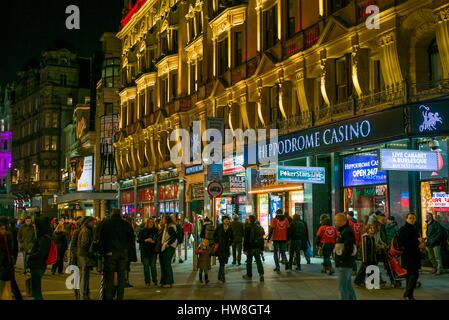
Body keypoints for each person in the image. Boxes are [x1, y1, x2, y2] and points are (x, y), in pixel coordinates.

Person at [98, 209, 134, 300]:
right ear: (120, 215)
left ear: (111, 214)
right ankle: (119, 297)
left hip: (110, 253)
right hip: (122, 253)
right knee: (121, 276)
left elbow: (101, 239)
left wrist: (103, 252)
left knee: (109, 276)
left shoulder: (106, 224)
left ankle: (109, 296)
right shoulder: (126, 224)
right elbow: (131, 239)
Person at [398, 213, 422, 300]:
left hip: (415, 254)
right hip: (408, 255)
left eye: (413, 218)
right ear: (406, 219)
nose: (412, 220)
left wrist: (420, 242)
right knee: (414, 274)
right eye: (410, 218)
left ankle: (409, 295)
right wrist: (416, 242)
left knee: (410, 275)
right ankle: (408, 294)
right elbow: (401, 243)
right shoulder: (403, 229)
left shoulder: (415, 228)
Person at [27, 218, 51, 300]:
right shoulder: (43, 237)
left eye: (36, 227)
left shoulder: (43, 238)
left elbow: (41, 253)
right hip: (38, 265)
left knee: (36, 290)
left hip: (38, 265)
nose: (35, 228)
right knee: (36, 289)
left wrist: (31, 256)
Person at [334, 213, 357, 300]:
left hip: (344, 263)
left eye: (336, 220)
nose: (335, 222)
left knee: (343, 287)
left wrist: (341, 260)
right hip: (345, 263)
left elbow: (348, 248)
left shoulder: (347, 232)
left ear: (341, 221)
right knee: (347, 286)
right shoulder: (344, 231)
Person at [77, 217, 96, 300]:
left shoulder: (86, 230)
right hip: (85, 256)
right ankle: (83, 296)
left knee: (85, 276)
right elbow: (85, 244)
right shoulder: (86, 231)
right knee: (85, 277)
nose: (94, 224)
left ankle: (84, 295)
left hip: (84, 255)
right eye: (93, 222)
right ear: (88, 222)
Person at [373, 213, 394, 286]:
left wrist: (385, 244)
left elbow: (382, 237)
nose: (384, 220)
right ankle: (380, 280)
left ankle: (390, 279)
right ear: (378, 218)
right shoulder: (376, 226)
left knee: (385, 264)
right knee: (374, 264)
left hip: (381, 248)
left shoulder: (382, 226)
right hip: (377, 249)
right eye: (382, 219)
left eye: (384, 219)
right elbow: (376, 238)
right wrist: (381, 245)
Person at [242, 215, 265, 282]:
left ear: (249, 219)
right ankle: (261, 275)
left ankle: (249, 275)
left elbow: (246, 239)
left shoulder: (247, 227)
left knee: (249, 261)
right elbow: (261, 238)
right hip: (257, 247)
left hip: (250, 247)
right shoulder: (258, 227)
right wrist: (261, 248)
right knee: (258, 261)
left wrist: (244, 248)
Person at [138, 218, 159, 288]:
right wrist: (146, 240)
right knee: (146, 267)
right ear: (147, 223)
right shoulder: (143, 231)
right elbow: (139, 240)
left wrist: (154, 241)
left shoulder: (156, 230)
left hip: (153, 251)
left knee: (153, 266)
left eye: (152, 222)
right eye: (150, 222)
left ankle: (155, 281)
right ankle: (147, 282)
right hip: (145, 251)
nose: (151, 223)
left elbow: (158, 239)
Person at [159, 215, 177, 288]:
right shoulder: (167, 226)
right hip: (165, 247)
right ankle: (164, 281)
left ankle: (168, 282)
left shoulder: (170, 227)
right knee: (164, 264)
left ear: (166, 220)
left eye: (163, 219)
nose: (162, 220)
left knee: (166, 264)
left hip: (168, 247)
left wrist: (168, 244)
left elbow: (174, 236)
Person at [214, 215, 233, 283]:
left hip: (226, 247)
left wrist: (230, 243)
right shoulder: (219, 227)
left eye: (228, 219)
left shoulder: (230, 228)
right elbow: (214, 235)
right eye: (225, 219)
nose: (227, 220)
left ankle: (219, 276)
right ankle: (223, 277)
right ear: (223, 220)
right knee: (221, 262)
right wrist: (217, 241)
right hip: (220, 247)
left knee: (223, 262)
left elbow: (232, 237)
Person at [0, 221, 13, 300]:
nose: (4, 231)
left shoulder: (4, 238)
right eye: (2, 229)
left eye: (4, 229)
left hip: (4, 269)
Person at [124, 216, 137, 288]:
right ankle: (125, 281)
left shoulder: (124, 228)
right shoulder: (128, 228)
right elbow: (131, 240)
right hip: (127, 251)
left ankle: (125, 281)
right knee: (126, 267)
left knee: (126, 266)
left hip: (125, 250)